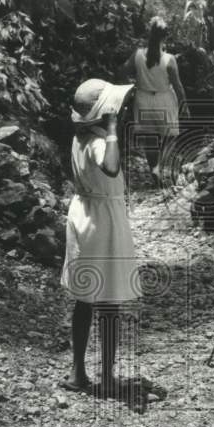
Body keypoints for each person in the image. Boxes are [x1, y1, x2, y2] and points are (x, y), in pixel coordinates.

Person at [60, 78, 142, 394]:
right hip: (103, 220)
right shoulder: (98, 142)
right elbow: (110, 167)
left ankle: (78, 371)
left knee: (84, 300)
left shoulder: (78, 138)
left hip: (84, 213)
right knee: (108, 301)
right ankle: (106, 376)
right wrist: (111, 130)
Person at [125, 17, 187, 185]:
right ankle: (162, 166)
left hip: (143, 98)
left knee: (150, 138)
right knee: (169, 137)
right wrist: (184, 104)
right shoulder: (169, 59)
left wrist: (131, 88)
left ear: (149, 34)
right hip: (164, 98)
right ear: (165, 37)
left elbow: (123, 71)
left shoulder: (137, 55)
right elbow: (178, 85)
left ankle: (155, 169)